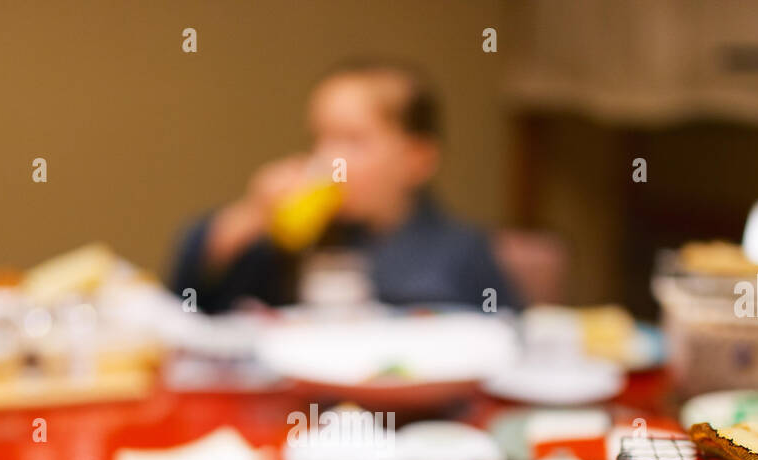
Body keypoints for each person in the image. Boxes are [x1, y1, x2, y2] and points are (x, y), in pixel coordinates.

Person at [170, 60, 521, 313]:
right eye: (319, 139)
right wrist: (250, 215)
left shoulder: (461, 251)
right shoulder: (298, 244)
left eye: (352, 140)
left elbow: (508, 339)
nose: (327, 159)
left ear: (417, 159)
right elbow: (194, 304)